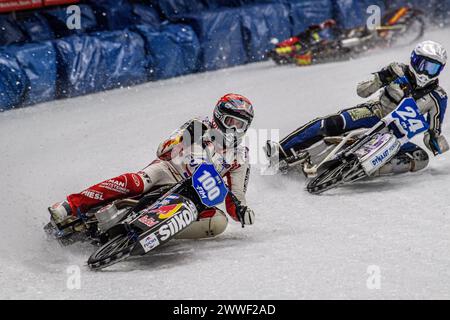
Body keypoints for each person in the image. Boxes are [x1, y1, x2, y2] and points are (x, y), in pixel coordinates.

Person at [49, 93, 255, 239]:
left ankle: (156, 235)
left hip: (194, 197)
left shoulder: (240, 157)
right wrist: (185, 137)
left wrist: (242, 211)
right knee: (136, 183)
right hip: (167, 172)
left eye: (241, 125)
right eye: (231, 122)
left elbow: (235, 197)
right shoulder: (198, 125)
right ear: (219, 117)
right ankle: (70, 205)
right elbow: (162, 150)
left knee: (218, 222)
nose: (235, 129)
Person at [267, 40, 448, 175]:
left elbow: (433, 131)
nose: (425, 72)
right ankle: (281, 149)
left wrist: (435, 142)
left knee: (421, 158)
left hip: (395, 136)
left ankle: (364, 171)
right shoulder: (396, 69)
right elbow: (361, 91)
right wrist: (381, 78)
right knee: (332, 122)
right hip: (374, 113)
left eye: (432, 68)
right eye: (423, 65)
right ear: (414, 60)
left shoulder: (438, 97)